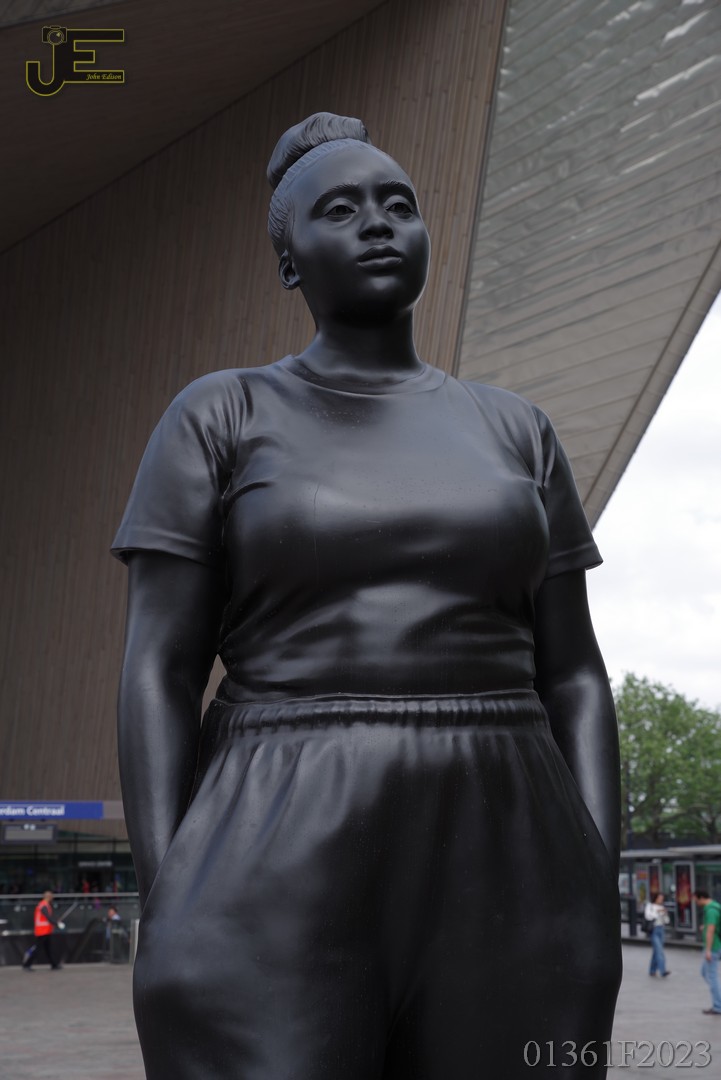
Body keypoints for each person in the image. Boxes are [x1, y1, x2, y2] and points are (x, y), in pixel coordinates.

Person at [113, 112, 622, 1079]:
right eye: (339, 210)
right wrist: (168, 884)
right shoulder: (220, 414)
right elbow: (160, 667)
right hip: (276, 822)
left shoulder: (516, 430)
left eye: (398, 204)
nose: (378, 222)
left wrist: (593, 871)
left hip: (509, 832)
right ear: (288, 260)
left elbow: (574, 675)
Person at [694, 889, 721, 1015]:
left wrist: (708, 951)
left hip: (713, 947)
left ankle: (718, 1006)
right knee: (705, 972)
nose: (696, 903)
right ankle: (718, 998)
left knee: (712, 976)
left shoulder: (711, 911)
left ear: (701, 898)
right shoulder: (715, 907)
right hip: (715, 945)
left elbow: (711, 931)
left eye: (696, 900)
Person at [22, 889, 64, 971]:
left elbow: (48, 918)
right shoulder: (43, 905)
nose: (53, 897)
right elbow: (48, 917)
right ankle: (27, 964)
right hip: (42, 931)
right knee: (38, 949)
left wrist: (55, 922)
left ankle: (54, 965)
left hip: (45, 930)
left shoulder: (45, 905)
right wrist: (57, 923)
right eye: (51, 896)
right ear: (48, 897)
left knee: (48, 949)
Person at [644, 891, 670, 977]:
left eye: (662, 899)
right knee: (659, 950)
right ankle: (663, 970)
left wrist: (664, 913)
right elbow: (648, 916)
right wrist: (657, 912)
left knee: (656, 951)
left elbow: (667, 921)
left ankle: (652, 970)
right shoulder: (650, 906)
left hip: (661, 929)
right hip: (654, 930)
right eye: (659, 898)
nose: (661, 900)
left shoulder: (662, 907)